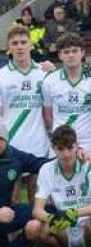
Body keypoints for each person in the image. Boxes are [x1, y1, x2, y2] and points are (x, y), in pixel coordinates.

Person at [25, 125, 91, 247]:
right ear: (54, 149)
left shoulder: (89, 166)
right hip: (62, 226)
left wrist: (74, 213)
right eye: (60, 149)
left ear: (77, 146)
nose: (66, 154)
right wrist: (52, 218)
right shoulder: (46, 169)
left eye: (70, 148)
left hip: (86, 225)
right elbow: (37, 210)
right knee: (32, 227)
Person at [0, 123, 54, 247]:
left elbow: (40, 164)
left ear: (6, 140)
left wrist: (72, 156)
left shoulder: (14, 156)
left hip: (8, 214)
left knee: (46, 213)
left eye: (0, 139)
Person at [42, 34, 91, 167]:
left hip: (89, 143)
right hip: (61, 145)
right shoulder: (50, 81)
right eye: (66, 52)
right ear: (60, 55)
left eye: (75, 51)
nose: (71, 55)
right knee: (59, 186)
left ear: (82, 53)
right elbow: (48, 116)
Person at [0, 25, 52, 161]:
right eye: (15, 43)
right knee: (13, 182)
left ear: (31, 45)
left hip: (38, 144)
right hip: (11, 143)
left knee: (35, 182)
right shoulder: (1, 76)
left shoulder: (44, 72)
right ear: (8, 48)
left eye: (23, 42)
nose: (20, 47)